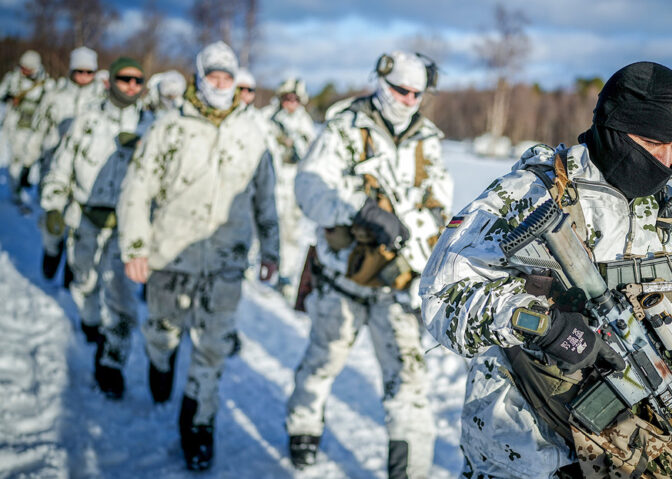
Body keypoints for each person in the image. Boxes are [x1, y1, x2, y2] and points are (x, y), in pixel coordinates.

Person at [419, 61, 672, 478]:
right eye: (652, 144)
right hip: (523, 444)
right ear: (614, 129)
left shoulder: (660, 211)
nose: (665, 161)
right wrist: (547, 327)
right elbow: (442, 298)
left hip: (618, 445)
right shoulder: (530, 193)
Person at [285, 51, 452, 479]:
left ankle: (407, 470)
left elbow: (440, 203)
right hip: (342, 280)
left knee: (409, 385)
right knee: (321, 364)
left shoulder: (428, 139)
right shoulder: (345, 127)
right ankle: (303, 428)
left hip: (398, 284)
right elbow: (308, 187)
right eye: (401, 90)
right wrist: (360, 210)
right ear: (381, 82)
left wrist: (417, 232)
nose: (409, 100)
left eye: (417, 93)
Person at [117, 41, 279, 471]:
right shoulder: (169, 127)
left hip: (226, 263)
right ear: (199, 77)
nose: (221, 83)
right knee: (162, 333)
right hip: (170, 258)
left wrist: (272, 248)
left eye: (227, 76)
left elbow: (266, 197)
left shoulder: (252, 131)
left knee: (212, 351)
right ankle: (160, 361)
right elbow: (136, 188)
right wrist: (135, 247)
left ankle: (198, 425)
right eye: (213, 75)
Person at [41, 57, 151, 395]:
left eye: (137, 80)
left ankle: (111, 362)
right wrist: (53, 205)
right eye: (124, 79)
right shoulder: (88, 120)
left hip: (126, 229)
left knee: (120, 298)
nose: (131, 86)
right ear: (110, 81)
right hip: (86, 219)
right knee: (84, 281)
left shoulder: (152, 126)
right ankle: (90, 322)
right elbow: (62, 165)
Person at [27, 46, 104, 280]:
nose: (84, 77)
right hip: (54, 168)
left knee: (79, 227)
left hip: (85, 174)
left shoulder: (101, 100)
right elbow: (39, 130)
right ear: (72, 71)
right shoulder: (56, 97)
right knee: (52, 223)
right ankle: (51, 252)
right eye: (79, 71)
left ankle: (71, 272)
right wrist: (30, 159)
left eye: (89, 72)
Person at [263, 77, 317, 294]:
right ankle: (263, 262)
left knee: (292, 232)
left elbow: (310, 152)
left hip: (293, 184)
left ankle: (285, 274)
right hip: (272, 182)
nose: (291, 103)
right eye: (287, 98)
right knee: (268, 225)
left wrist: (295, 142)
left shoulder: (304, 122)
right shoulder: (269, 118)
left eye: (295, 99)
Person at [0, 50, 54, 206]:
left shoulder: (45, 82)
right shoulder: (13, 79)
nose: (24, 71)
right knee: (16, 158)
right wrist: (10, 97)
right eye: (22, 67)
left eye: (28, 69)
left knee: (32, 156)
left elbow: (51, 102)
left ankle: (25, 176)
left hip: (36, 127)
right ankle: (16, 189)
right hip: (16, 125)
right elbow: (2, 94)